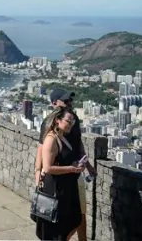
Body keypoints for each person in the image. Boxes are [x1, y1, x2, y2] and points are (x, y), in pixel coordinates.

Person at [35, 89, 96, 241]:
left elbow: (78, 145)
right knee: (62, 220)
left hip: (73, 175)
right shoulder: (48, 125)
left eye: (70, 101)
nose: (70, 103)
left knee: (78, 216)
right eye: (66, 101)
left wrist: (87, 165)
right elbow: (41, 151)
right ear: (54, 103)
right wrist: (38, 173)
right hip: (59, 179)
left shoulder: (72, 120)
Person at [36, 106, 84, 240]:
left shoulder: (63, 137)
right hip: (56, 190)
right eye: (68, 121)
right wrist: (71, 169)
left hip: (66, 188)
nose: (71, 124)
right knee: (56, 230)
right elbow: (47, 168)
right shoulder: (51, 139)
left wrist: (78, 164)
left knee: (72, 222)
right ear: (58, 120)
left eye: (72, 122)